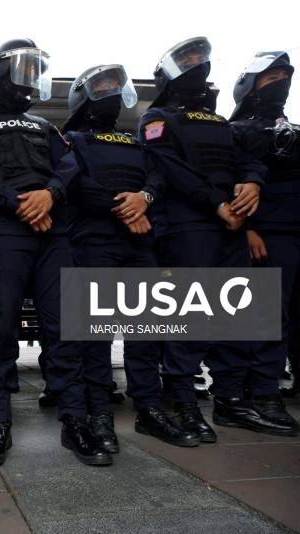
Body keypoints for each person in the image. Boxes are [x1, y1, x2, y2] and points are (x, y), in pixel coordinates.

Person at [0, 39, 111, 466]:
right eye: (23, 69)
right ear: (0, 71)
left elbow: (70, 165)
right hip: (3, 233)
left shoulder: (44, 126)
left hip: (53, 234)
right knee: (0, 327)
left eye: (36, 70)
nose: (29, 79)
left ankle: (75, 422)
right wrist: (19, 202)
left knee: (67, 329)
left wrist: (50, 194)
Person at [62, 64, 198, 448]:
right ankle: (98, 412)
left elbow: (157, 178)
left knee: (147, 329)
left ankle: (150, 408)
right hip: (94, 239)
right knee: (96, 333)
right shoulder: (71, 138)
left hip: (139, 241)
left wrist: (145, 199)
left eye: (114, 85)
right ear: (84, 95)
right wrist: (124, 209)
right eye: (101, 85)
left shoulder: (135, 141)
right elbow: (74, 183)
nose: (109, 91)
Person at [138, 36, 266, 443]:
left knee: (235, 314)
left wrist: (252, 182)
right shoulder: (156, 117)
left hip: (230, 225)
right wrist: (216, 203)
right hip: (187, 225)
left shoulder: (221, 121)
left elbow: (248, 157)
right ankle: (183, 402)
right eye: (187, 60)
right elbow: (169, 167)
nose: (196, 64)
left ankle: (229, 399)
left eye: (199, 58)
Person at [228, 50, 300, 435]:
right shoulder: (237, 131)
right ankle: (262, 392)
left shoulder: (292, 128)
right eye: (270, 78)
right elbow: (230, 182)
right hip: (267, 235)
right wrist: (247, 229)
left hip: (295, 231)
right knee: (269, 318)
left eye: (284, 77)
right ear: (250, 85)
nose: (279, 84)